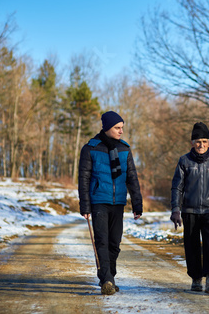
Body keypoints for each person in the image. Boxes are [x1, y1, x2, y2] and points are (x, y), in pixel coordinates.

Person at [78, 111, 143, 295]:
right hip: (99, 201)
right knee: (102, 241)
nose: (121, 131)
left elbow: (132, 178)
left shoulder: (124, 149)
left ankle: (109, 277)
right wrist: (85, 205)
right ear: (107, 128)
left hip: (119, 203)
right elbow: (83, 178)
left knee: (114, 243)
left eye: (122, 127)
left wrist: (137, 204)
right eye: (117, 127)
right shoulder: (90, 148)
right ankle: (106, 279)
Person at [170, 122, 209, 294]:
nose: (201, 145)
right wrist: (175, 209)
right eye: (198, 141)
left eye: (205, 141)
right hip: (189, 210)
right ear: (192, 143)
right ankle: (196, 278)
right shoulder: (184, 161)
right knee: (192, 246)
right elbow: (177, 187)